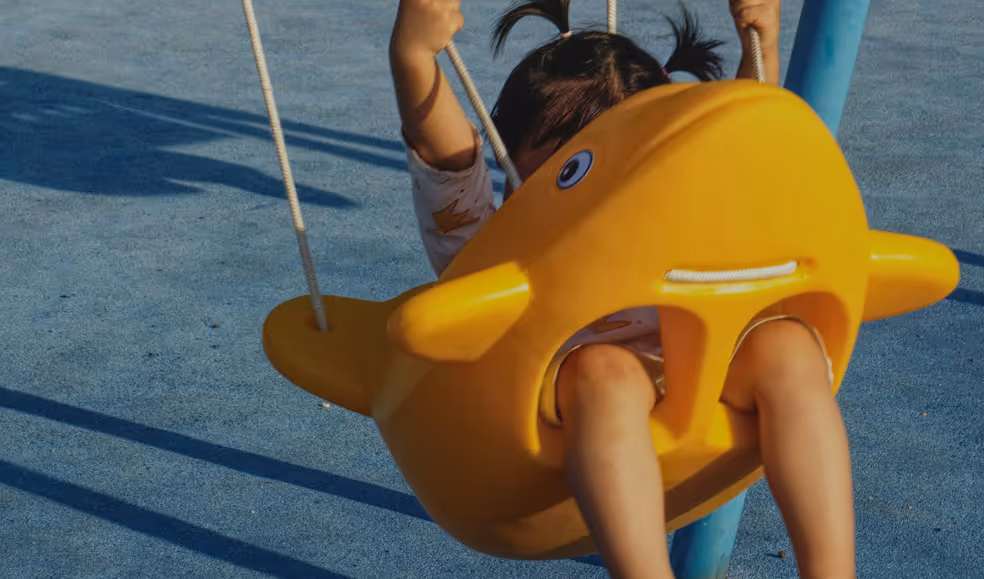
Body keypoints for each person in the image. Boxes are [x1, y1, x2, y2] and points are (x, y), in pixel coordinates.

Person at [389, 0, 856, 576]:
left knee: (787, 345)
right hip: (541, 410)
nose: (601, 197)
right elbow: (448, 158)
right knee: (603, 372)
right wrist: (413, 59)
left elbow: (738, 155)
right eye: (568, 168)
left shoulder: (679, 225)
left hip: (698, 376)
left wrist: (760, 44)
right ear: (511, 167)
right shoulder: (493, 248)